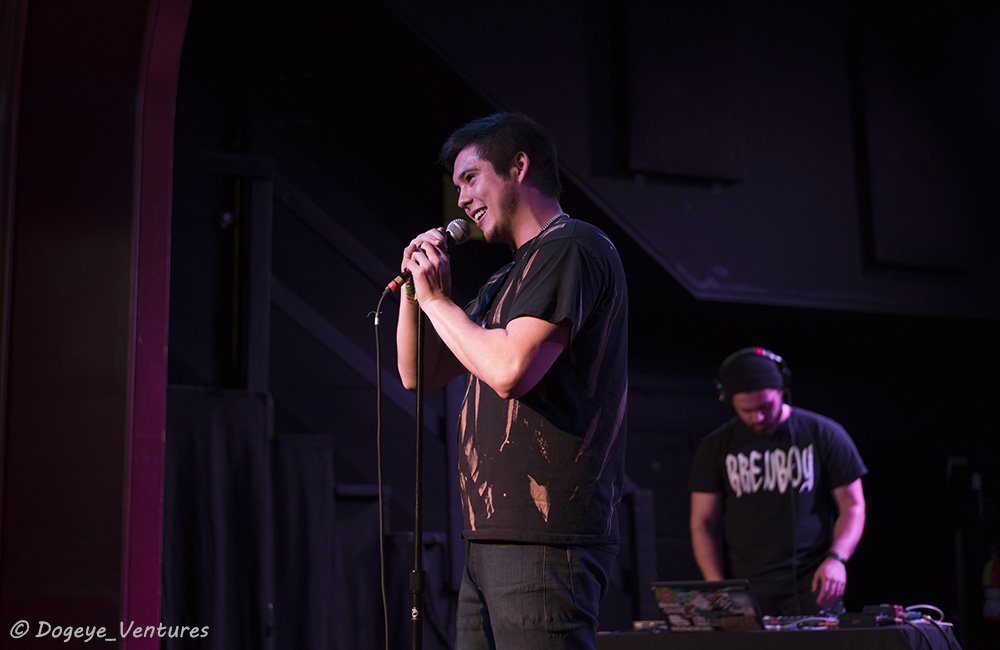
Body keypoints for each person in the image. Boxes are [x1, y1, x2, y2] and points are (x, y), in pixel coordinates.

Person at [394, 112, 629, 649]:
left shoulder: (572, 244)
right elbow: (418, 373)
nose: (462, 200)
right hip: (492, 535)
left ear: (518, 166)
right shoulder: (505, 278)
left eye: (470, 178)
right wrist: (416, 293)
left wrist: (438, 301)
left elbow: (508, 371)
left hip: (547, 533)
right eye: (456, 187)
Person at [688, 347, 867, 616]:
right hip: (746, 588)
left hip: (814, 583)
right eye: (746, 410)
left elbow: (853, 505)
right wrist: (717, 585)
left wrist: (837, 558)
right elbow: (703, 522)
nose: (757, 418)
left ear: (782, 391)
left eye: (765, 407)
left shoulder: (825, 434)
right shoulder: (715, 447)